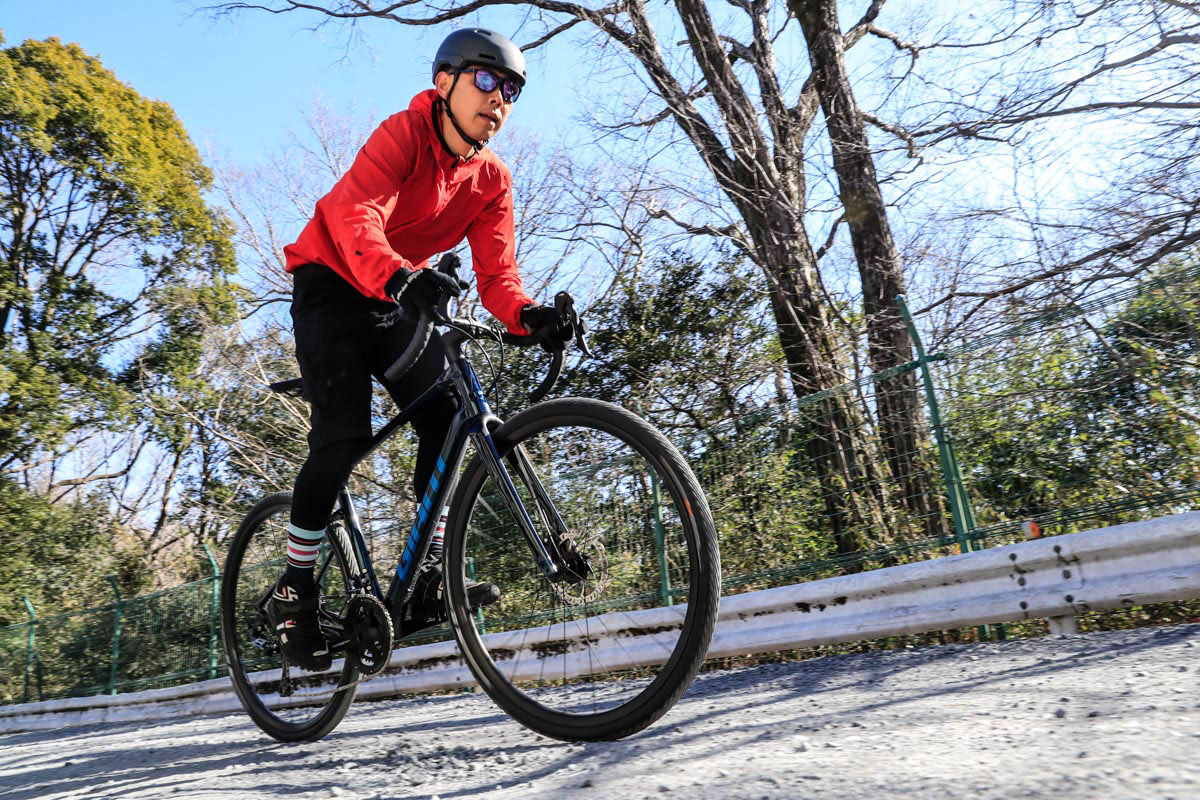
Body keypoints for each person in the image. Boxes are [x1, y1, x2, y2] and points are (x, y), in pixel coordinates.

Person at [269, 28, 570, 671]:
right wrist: (403, 276)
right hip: (331, 286)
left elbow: (498, 279)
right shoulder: (401, 135)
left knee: (446, 417)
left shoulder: (492, 179)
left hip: (393, 297)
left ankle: (429, 573)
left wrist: (531, 318)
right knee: (344, 437)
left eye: (511, 90)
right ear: (444, 83)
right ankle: (295, 585)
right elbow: (357, 220)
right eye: (486, 81)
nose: (499, 99)